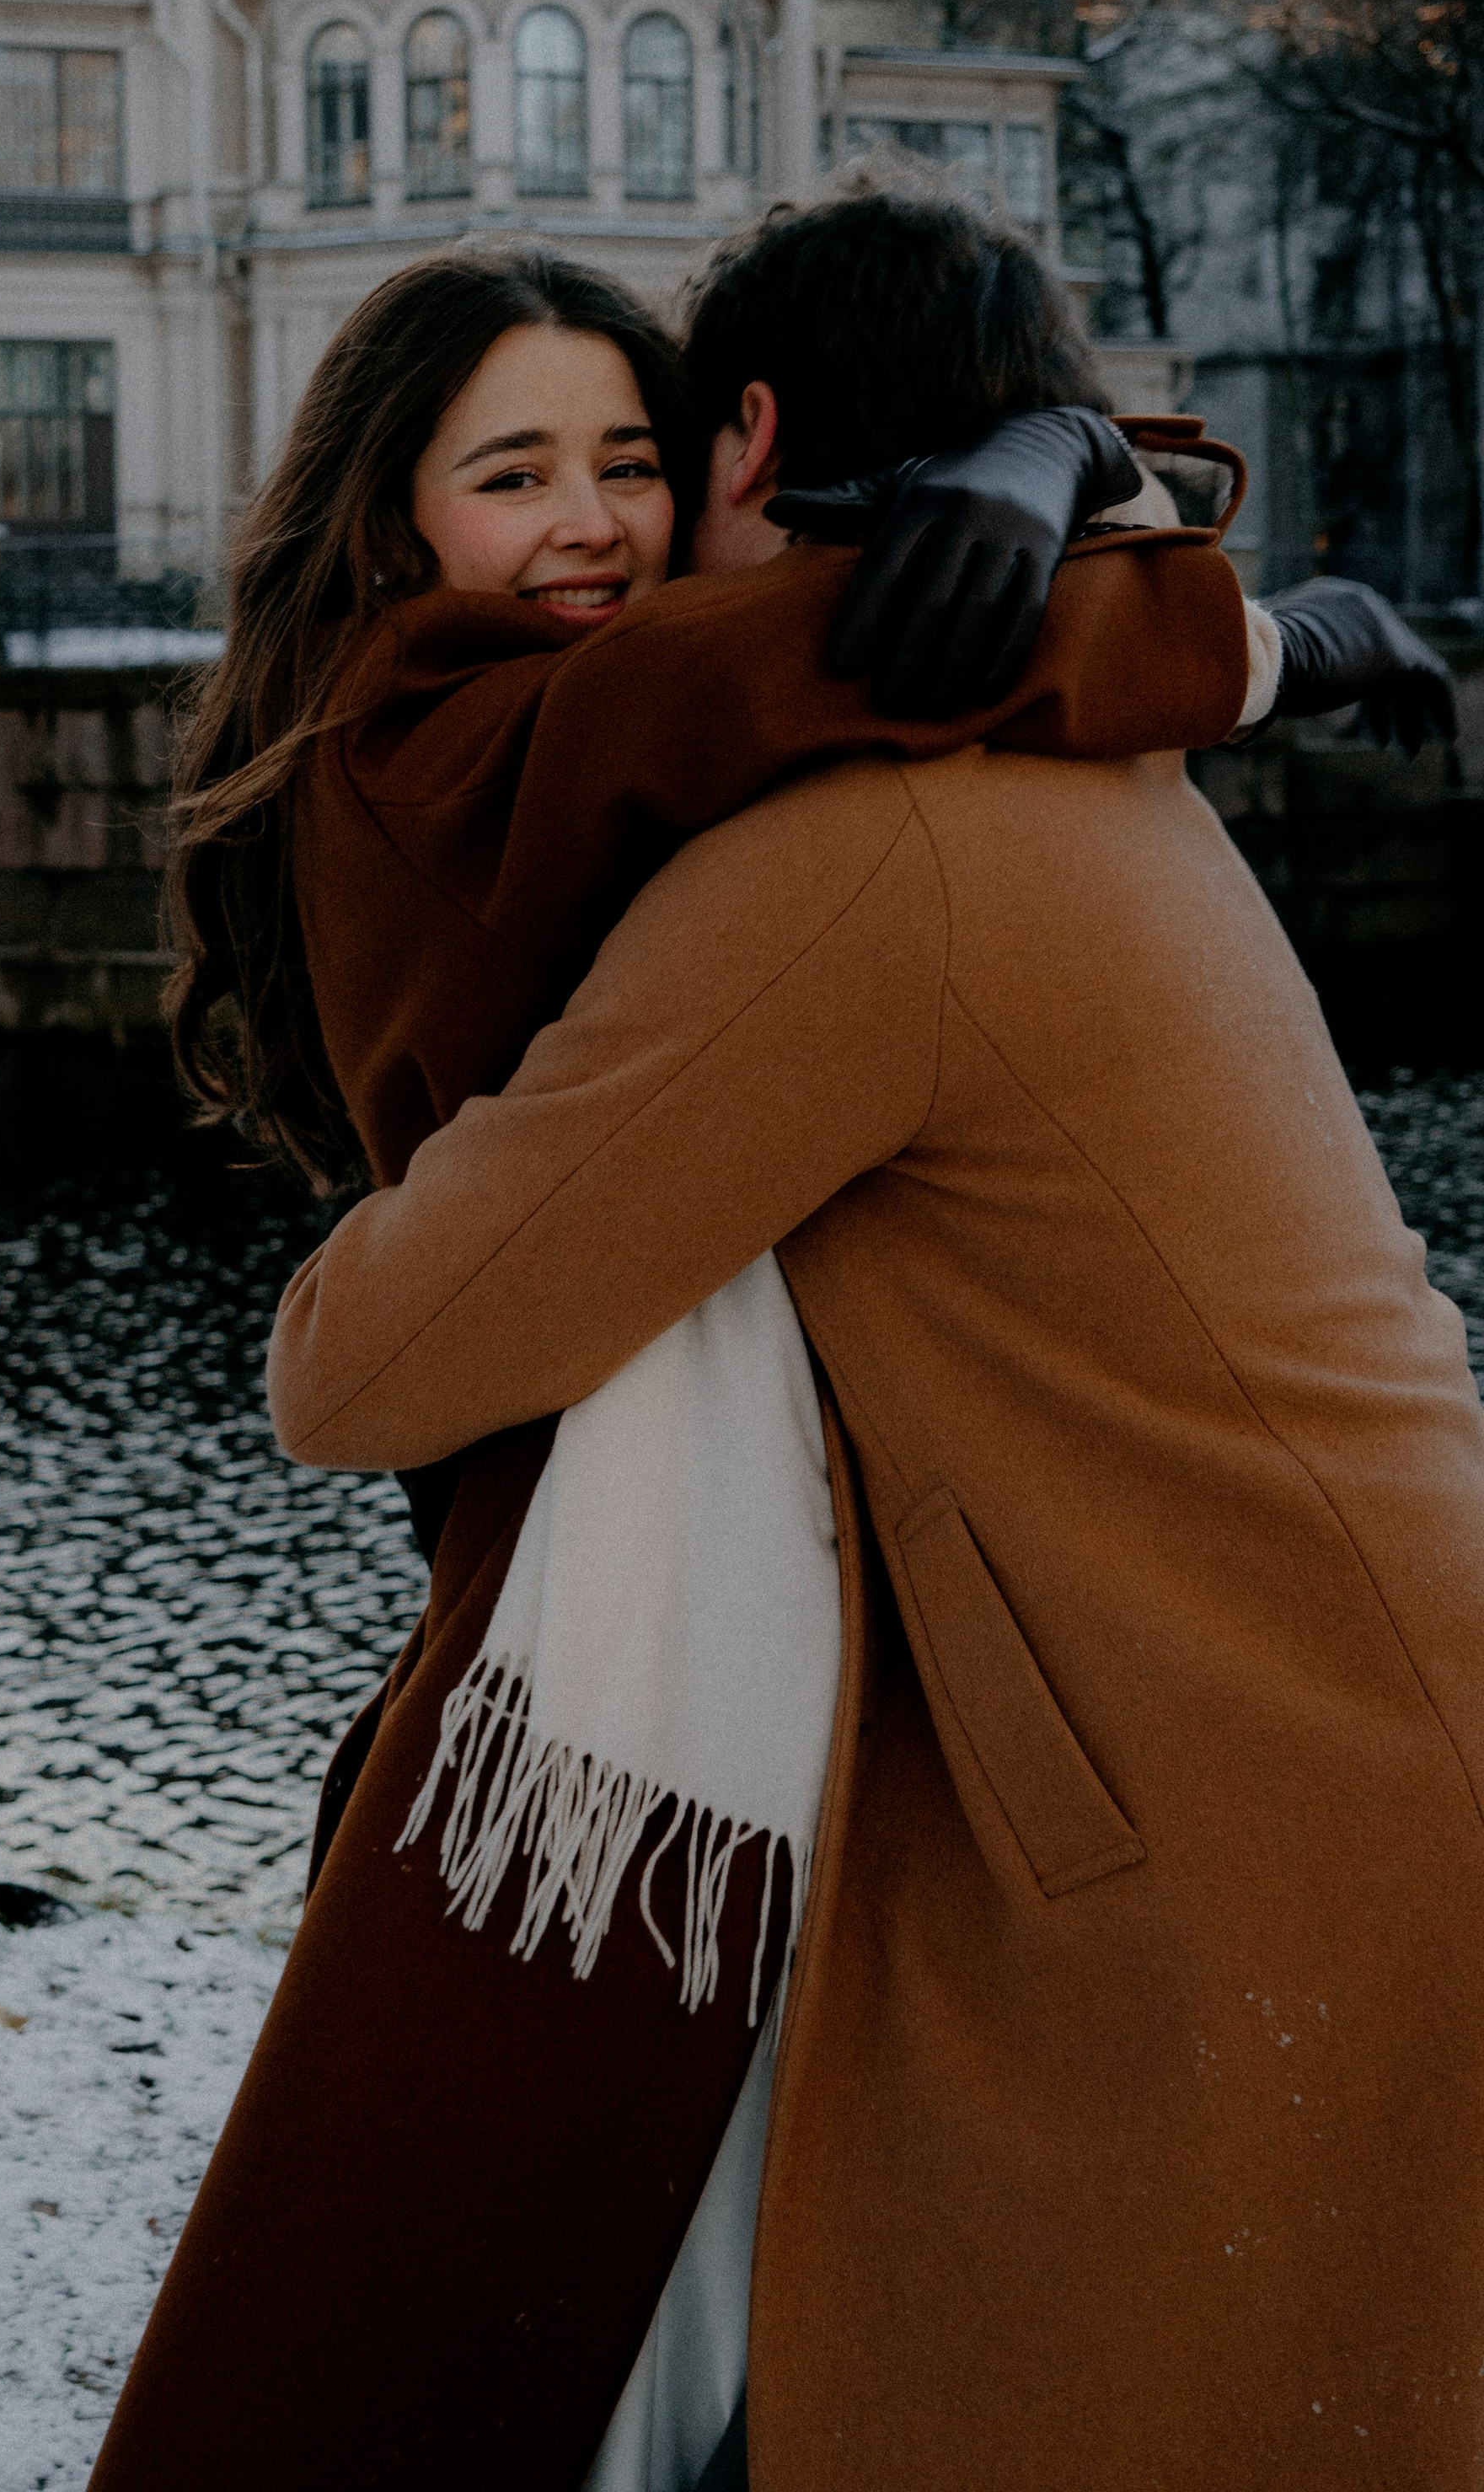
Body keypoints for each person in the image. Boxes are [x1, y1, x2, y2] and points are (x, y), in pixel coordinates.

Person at [265, 189, 1484, 2487]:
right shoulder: (1064, 751)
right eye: (517, 473)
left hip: (1237, 1786)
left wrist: (387, 1213)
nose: (606, 532)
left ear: (744, 441)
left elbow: (359, 1371)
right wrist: (1085, 482)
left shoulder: (859, 858)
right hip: (1317, 1698)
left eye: (638, 459)